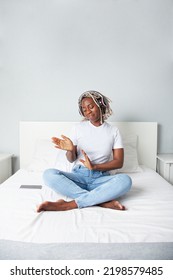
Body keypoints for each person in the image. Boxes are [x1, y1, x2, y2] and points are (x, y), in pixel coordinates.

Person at [37, 90, 132, 212]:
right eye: (84, 109)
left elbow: (119, 162)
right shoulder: (77, 128)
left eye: (91, 107)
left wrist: (95, 166)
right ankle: (101, 201)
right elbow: (71, 159)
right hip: (78, 177)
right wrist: (71, 150)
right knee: (48, 174)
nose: (87, 111)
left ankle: (67, 205)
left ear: (100, 105)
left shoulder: (113, 131)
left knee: (125, 180)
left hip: (101, 179)